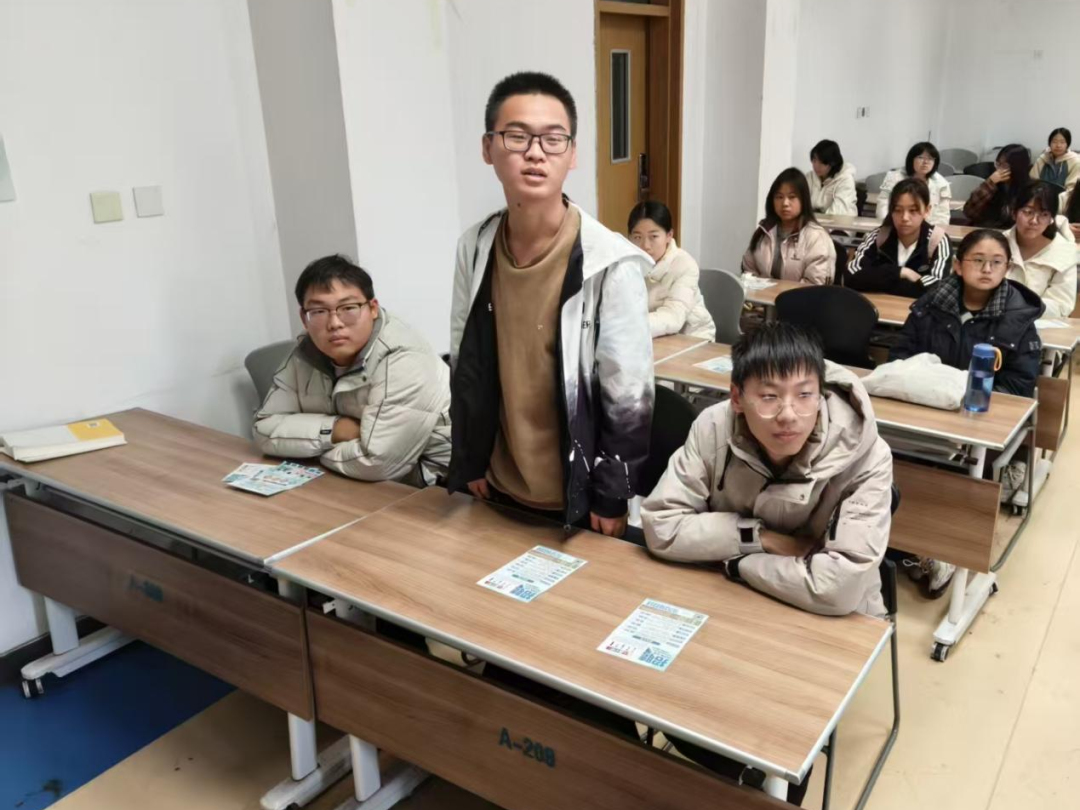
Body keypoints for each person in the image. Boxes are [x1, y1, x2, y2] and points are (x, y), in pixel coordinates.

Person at [641, 322, 892, 805]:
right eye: (769, 397)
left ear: (821, 392)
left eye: (804, 395)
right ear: (737, 397)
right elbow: (662, 527)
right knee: (662, 692)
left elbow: (837, 586)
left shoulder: (866, 453)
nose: (789, 415)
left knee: (771, 731)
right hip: (730, 596)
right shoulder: (713, 426)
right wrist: (760, 538)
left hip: (822, 614)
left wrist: (738, 564)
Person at [448, 71, 653, 538]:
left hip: (578, 500)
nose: (535, 153)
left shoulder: (608, 262)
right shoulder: (475, 247)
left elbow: (628, 394)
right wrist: (470, 458)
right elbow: (465, 358)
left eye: (553, 139)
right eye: (517, 136)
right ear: (488, 148)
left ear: (572, 154)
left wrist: (611, 495)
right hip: (496, 485)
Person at [889, 229, 1044, 595]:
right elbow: (900, 357)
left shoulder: (1018, 319)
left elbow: (1020, 387)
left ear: (1007, 268)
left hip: (978, 422)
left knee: (952, 476)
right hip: (926, 412)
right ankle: (900, 541)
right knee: (894, 460)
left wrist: (961, 400)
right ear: (958, 266)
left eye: (996, 262)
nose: (987, 269)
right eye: (978, 260)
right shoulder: (930, 304)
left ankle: (940, 550)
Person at [254, 254, 451, 487]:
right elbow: (264, 430)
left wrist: (306, 448)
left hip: (431, 484)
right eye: (319, 311)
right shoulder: (305, 352)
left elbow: (378, 463)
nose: (334, 323)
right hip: (348, 478)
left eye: (348, 308)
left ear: (373, 308)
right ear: (304, 318)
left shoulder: (405, 358)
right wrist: (336, 430)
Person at [845, 178, 952, 296]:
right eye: (898, 210)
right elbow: (851, 275)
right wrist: (900, 272)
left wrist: (878, 279)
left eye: (913, 211)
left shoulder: (938, 240)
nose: (905, 218)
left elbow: (939, 287)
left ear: (927, 210)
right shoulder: (878, 236)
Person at [628, 200, 715, 340]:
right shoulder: (626, 264)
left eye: (653, 237)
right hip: (650, 336)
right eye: (637, 237)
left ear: (669, 235)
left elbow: (673, 317)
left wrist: (628, 326)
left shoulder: (685, 264)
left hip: (693, 337)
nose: (645, 246)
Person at [740, 168, 837, 284]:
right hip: (761, 296)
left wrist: (777, 292)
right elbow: (748, 271)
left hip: (799, 296)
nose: (785, 203)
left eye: (792, 197)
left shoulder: (817, 237)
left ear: (803, 200)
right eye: (779, 197)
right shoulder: (764, 231)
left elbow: (814, 286)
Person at [1003, 180, 1077, 319]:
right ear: (1013, 213)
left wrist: (1019, 307)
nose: (1034, 221)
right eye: (1028, 212)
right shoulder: (997, 245)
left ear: (1051, 219)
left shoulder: (1064, 253)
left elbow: (1061, 306)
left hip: (1042, 326)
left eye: (1044, 214)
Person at [875, 142, 953, 228]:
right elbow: (883, 205)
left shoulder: (941, 183)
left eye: (930, 159)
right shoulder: (894, 178)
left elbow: (942, 215)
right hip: (896, 226)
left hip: (928, 229)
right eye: (921, 157)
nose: (925, 162)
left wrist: (932, 232)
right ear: (911, 159)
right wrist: (889, 226)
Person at [963, 144, 1033, 228]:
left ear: (1018, 168)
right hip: (986, 229)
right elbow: (969, 212)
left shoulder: (1028, 189)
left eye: (1005, 166)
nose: (999, 170)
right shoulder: (992, 183)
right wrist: (989, 184)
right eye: (997, 164)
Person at [807, 139, 858, 216]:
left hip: (841, 221)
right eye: (814, 161)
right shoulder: (810, 177)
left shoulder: (845, 180)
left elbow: (837, 212)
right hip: (815, 221)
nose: (816, 166)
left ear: (832, 163)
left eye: (821, 163)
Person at [1030, 127, 1080, 192]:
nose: (1058, 145)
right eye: (1054, 142)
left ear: (1067, 144)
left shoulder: (1075, 162)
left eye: (1062, 142)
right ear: (1049, 144)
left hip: (1063, 197)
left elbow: (1071, 190)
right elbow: (1032, 182)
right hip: (1040, 195)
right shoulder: (1042, 159)